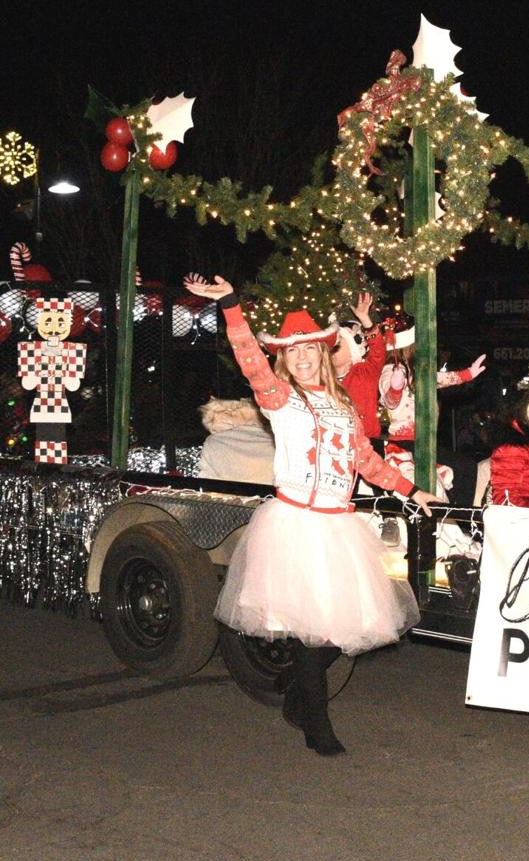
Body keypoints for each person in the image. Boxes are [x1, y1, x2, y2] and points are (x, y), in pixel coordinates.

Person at [184, 275, 442, 757]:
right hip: (296, 524)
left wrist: (411, 489)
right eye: (292, 352)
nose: (302, 357)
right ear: (284, 359)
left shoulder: (343, 404)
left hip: (338, 525)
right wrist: (232, 306)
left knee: (343, 631)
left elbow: (365, 460)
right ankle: (314, 721)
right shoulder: (279, 398)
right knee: (312, 631)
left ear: (323, 353)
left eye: (309, 349)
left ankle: (293, 685)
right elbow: (249, 359)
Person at [379, 316, 486, 506]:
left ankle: (461, 513)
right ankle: (459, 513)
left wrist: (467, 374)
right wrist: (395, 389)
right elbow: (389, 401)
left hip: (424, 441)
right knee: (462, 468)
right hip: (405, 442)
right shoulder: (391, 369)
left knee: (466, 467)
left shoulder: (416, 370)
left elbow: (440, 379)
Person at [331, 291, 388, 440]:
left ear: (352, 349)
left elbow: (378, 351)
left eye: (337, 345)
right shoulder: (323, 378)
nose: (331, 350)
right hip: (336, 443)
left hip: (367, 441)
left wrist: (365, 320)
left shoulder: (364, 372)